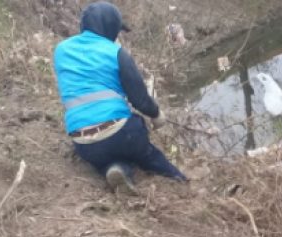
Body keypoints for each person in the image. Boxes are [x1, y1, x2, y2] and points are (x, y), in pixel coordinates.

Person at [53, 1, 186, 195]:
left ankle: (116, 169)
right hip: (120, 134)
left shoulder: (61, 50)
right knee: (147, 154)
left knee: (106, 156)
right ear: (110, 28)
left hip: (82, 142)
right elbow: (139, 99)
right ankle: (181, 181)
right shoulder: (116, 53)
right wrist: (157, 115)